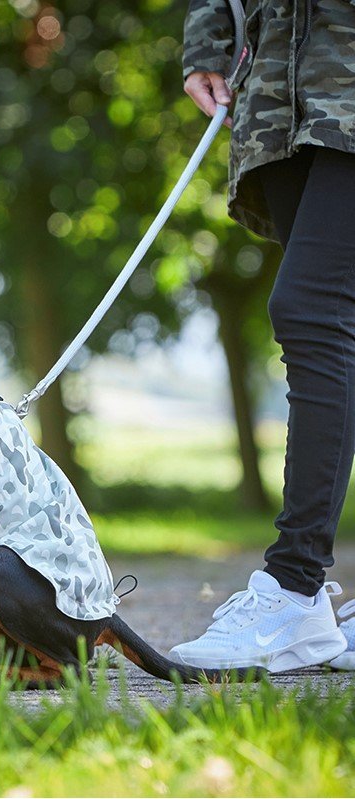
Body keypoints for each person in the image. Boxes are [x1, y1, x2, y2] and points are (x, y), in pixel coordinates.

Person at [168, 0, 355, 672]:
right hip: (272, 97)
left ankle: (294, 587)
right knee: (340, 331)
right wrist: (206, 43)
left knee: (310, 309)